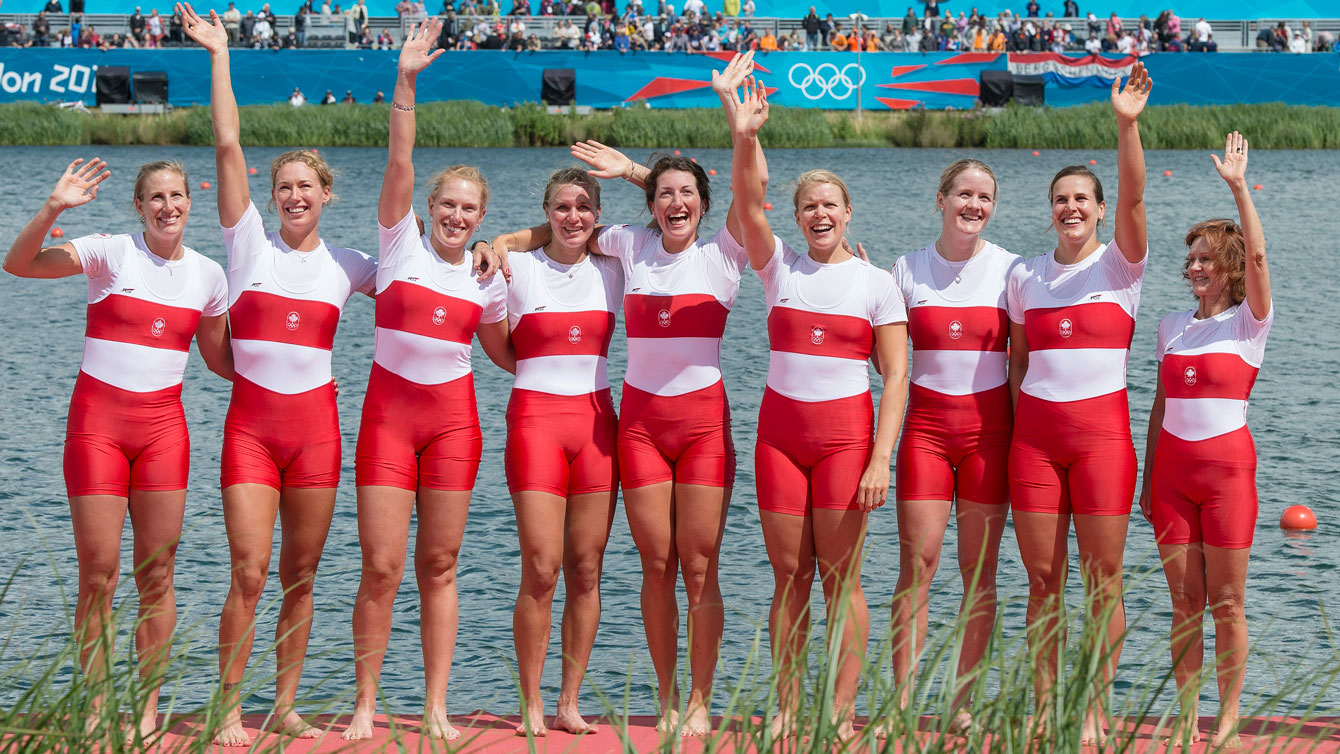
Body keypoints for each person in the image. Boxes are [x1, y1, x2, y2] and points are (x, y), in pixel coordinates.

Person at [178, 3, 378, 746]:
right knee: (250, 570)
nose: (294, 195)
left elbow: (429, 282)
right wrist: (219, 55)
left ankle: (286, 702)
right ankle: (230, 705)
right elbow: (228, 145)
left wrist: (504, 245)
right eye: (285, 186)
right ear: (274, 197)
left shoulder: (350, 265)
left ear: (326, 195)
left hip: (317, 432)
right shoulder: (246, 247)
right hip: (253, 433)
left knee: (302, 574)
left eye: (306, 186)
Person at [5, 158, 231, 745]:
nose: (167, 206)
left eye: (176, 195)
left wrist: (302, 371)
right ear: (139, 205)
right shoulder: (110, 253)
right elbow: (18, 264)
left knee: (157, 575)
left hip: (163, 435)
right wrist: (54, 207)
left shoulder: (208, 276)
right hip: (97, 430)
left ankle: (148, 710)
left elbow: (223, 362)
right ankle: (98, 706)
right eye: (155, 197)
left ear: (189, 201)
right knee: (98, 577)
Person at [342, 19, 511, 743]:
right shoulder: (398, 243)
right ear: (430, 208)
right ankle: (364, 704)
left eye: (469, 211)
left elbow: (511, 356)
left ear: (480, 219)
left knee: (439, 565)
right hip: (387, 423)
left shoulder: (487, 279)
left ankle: (437, 707)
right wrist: (406, 81)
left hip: (453, 428)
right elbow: (400, 162)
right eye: (448, 205)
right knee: (381, 568)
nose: (456, 216)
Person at [727, 76, 908, 741]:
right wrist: (746, 137)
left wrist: (880, 459)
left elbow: (896, 376)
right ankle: (787, 707)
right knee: (789, 577)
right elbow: (748, 208)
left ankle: (839, 711)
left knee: (842, 580)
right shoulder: (777, 269)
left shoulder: (876, 284)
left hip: (845, 445)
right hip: (778, 441)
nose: (820, 215)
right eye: (808, 206)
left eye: (830, 204)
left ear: (849, 211)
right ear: (797, 216)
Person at [1006, 61, 1152, 746]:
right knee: (1042, 580)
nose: (1071, 208)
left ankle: (1093, 707)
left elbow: (1134, 200)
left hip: (1101, 443)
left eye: (1082, 200)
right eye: (1060, 199)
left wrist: (1125, 126)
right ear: (1052, 209)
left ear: (1098, 209)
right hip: (1034, 443)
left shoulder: (1120, 266)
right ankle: (1044, 707)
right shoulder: (1024, 275)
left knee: (1103, 580)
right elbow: (1017, 364)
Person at [1139, 132, 1272, 751]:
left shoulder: (1248, 324)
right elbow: (1160, 407)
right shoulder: (1169, 327)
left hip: (1226, 476)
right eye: (1189, 258)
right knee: (1184, 601)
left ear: (1229, 268)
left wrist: (1239, 189)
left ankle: (1229, 720)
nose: (1194, 267)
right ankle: (1189, 721)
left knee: (1227, 600)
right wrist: (1146, 480)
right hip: (1170, 477)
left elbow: (1260, 262)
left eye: (1206, 259)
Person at [882, 160, 1019, 736]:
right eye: (964, 194)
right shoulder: (905, 269)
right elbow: (887, 360)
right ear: (941, 199)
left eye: (984, 197)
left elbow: (1025, 364)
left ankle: (963, 701)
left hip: (991, 434)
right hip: (927, 435)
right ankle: (902, 702)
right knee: (918, 566)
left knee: (978, 572)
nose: (974, 205)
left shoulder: (1012, 270)